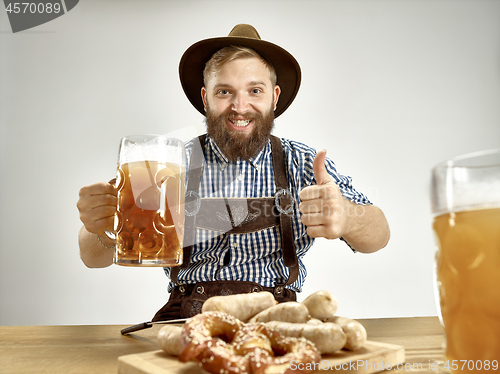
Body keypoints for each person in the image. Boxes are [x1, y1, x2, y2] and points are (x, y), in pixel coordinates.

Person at [77, 24, 390, 321]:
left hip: (277, 320)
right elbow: (92, 257)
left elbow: (379, 235)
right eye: (224, 92)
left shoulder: (303, 162)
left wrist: (347, 215)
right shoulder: (169, 163)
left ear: (274, 97)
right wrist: (102, 226)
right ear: (205, 98)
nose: (240, 107)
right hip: (185, 320)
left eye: (255, 90)